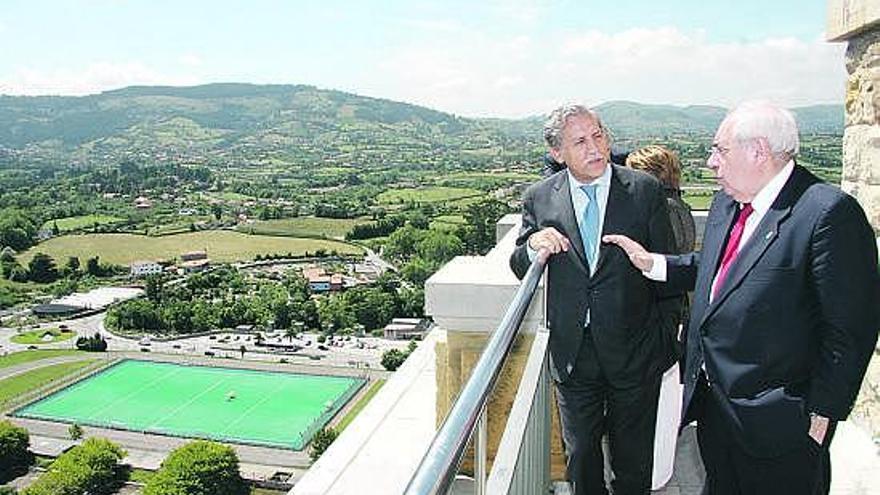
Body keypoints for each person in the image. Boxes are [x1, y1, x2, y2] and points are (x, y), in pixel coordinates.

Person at [603, 101, 880, 495]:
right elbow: (722, 269)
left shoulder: (827, 214)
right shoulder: (728, 202)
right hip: (718, 413)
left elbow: (851, 329)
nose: (712, 162)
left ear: (759, 151)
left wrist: (822, 413)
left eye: (720, 150)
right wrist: (655, 264)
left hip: (782, 424)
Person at [509, 104, 681, 495]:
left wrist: (664, 341)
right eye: (581, 141)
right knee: (582, 459)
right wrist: (534, 243)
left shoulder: (643, 190)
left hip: (636, 352)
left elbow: (668, 270)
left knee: (634, 464)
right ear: (558, 153)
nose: (595, 147)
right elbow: (520, 263)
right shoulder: (539, 198)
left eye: (599, 135)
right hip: (574, 356)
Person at [625, 145, 696, 489]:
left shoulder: (660, 210)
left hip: (657, 316)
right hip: (675, 314)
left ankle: (652, 475)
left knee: (653, 404)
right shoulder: (679, 206)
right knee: (667, 401)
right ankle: (659, 472)